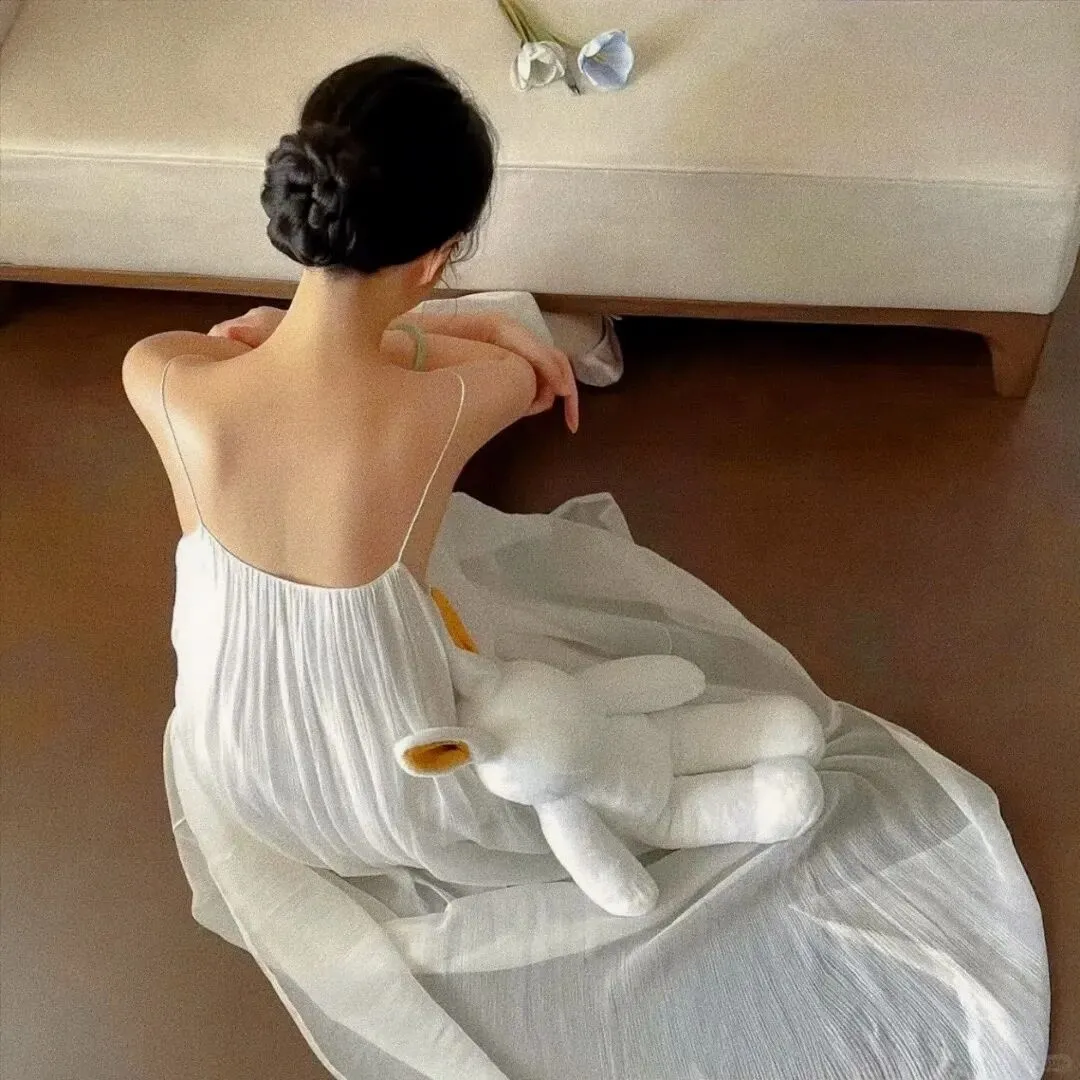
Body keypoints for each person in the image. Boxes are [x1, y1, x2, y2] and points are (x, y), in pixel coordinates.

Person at [125, 56, 1049, 1080]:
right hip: (406, 786)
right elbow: (527, 367)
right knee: (574, 737)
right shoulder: (445, 405)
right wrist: (476, 324)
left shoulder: (157, 374)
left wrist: (281, 330)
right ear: (435, 260)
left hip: (249, 775)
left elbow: (250, 347)